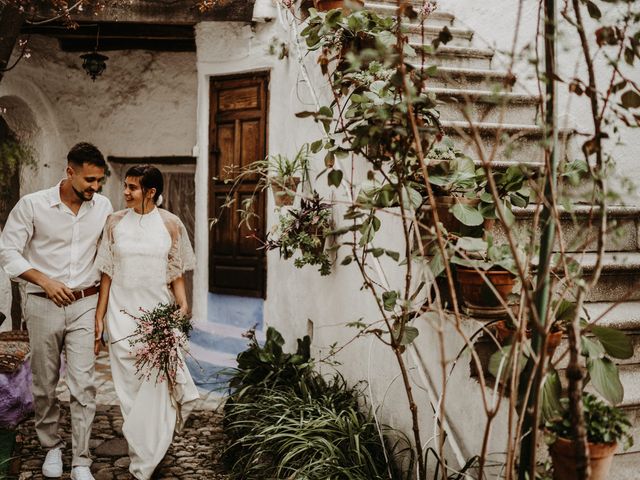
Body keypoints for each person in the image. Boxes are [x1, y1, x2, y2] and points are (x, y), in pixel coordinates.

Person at [0, 143, 113, 480]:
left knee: (83, 385)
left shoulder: (103, 206)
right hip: (41, 303)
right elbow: (7, 252)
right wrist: (44, 281)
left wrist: (102, 313)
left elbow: (109, 254)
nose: (95, 187)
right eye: (89, 180)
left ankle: (81, 459)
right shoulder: (33, 205)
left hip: (85, 304)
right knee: (45, 384)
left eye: (99, 181)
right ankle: (51, 445)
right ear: (70, 172)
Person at [94, 164, 199, 480]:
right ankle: (144, 448)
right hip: (121, 315)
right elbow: (107, 273)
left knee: (156, 388)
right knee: (128, 390)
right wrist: (99, 317)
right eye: (125, 186)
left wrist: (183, 303)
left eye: (132, 188)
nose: (125, 192)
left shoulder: (170, 224)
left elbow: (175, 269)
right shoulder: (114, 223)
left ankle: (148, 458)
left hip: (158, 316)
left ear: (150, 192)